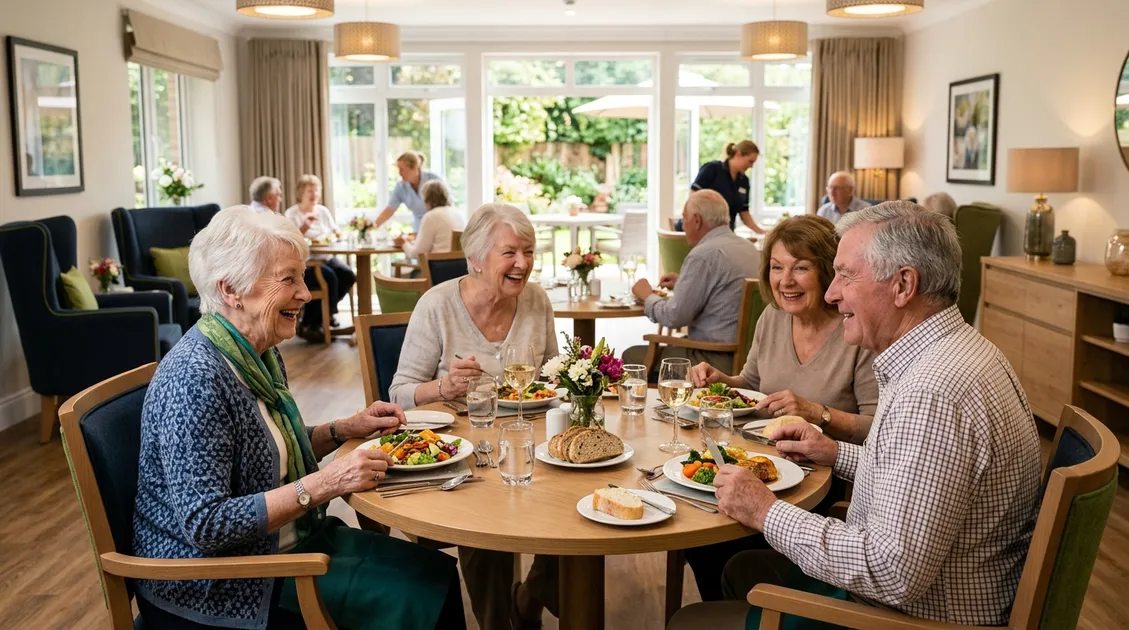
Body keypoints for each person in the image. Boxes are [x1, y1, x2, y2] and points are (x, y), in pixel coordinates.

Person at [668, 201, 1042, 629]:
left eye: (846, 274)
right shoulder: (958, 353)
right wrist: (832, 452)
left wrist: (765, 511)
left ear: (903, 285)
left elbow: (889, 574)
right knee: (737, 567)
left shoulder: (932, 393)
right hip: (940, 594)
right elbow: (918, 474)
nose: (832, 292)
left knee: (689, 622)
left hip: (903, 617)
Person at [132, 206, 465, 630]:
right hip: (217, 583)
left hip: (286, 546)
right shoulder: (196, 377)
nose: (306, 293)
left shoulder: (257, 353)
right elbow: (206, 524)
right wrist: (326, 483)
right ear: (231, 288)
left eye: (302, 276)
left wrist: (343, 429)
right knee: (421, 593)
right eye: (288, 278)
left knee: (435, 572)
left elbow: (268, 450)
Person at [682, 214, 879, 601]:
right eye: (776, 267)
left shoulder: (856, 329)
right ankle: (735, 612)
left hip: (820, 481)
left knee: (717, 542)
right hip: (761, 465)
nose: (785, 281)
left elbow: (877, 428)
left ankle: (757, 611)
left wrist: (817, 413)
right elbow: (753, 386)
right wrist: (724, 381)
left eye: (800, 267)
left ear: (827, 270)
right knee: (699, 526)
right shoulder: (772, 318)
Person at [388, 203, 559, 630]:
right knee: (487, 530)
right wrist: (445, 387)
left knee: (579, 512)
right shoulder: (437, 306)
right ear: (477, 260)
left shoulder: (537, 301)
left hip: (530, 442)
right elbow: (399, 392)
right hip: (464, 451)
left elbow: (554, 376)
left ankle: (531, 597)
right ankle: (497, 623)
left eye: (530, 251)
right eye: (511, 253)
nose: (523, 263)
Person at [624, 190, 760, 372]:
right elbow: (726, 288)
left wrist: (647, 295)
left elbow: (674, 317)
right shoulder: (749, 248)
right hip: (751, 362)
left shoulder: (703, 255)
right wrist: (683, 282)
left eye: (684, 218)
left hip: (711, 361)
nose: (683, 225)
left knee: (631, 356)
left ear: (697, 221)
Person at [285, 174, 356, 336]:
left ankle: (326, 314)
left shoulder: (322, 211)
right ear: (301, 192)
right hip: (305, 262)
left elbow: (336, 231)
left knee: (347, 274)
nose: (314, 194)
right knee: (329, 277)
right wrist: (304, 227)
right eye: (310, 191)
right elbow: (289, 242)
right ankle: (314, 322)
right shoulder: (292, 213)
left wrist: (337, 234)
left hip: (327, 257)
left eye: (317, 190)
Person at [690, 140, 765, 234]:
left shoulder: (744, 181)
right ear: (738, 154)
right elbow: (693, 196)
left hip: (727, 233)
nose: (751, 166)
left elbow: (744, 212)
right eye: (750, 161)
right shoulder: (712, 169)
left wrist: (761, 232)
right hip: (705, 232)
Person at [394, 179, 465, 260]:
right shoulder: (458, 214)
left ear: (426, 199)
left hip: (438, 269)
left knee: (405, 269)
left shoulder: (431, 216)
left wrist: (403, 244)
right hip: (459, 268)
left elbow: (418, 254)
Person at [375, 151, 444, 232]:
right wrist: (371, 226)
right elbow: (388, 211)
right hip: (419, 229)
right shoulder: (401, 187)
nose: (399, 173)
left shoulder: (434, 180)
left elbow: (447, 207)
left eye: (402, 170)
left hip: (438, 226)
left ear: (415, 168)